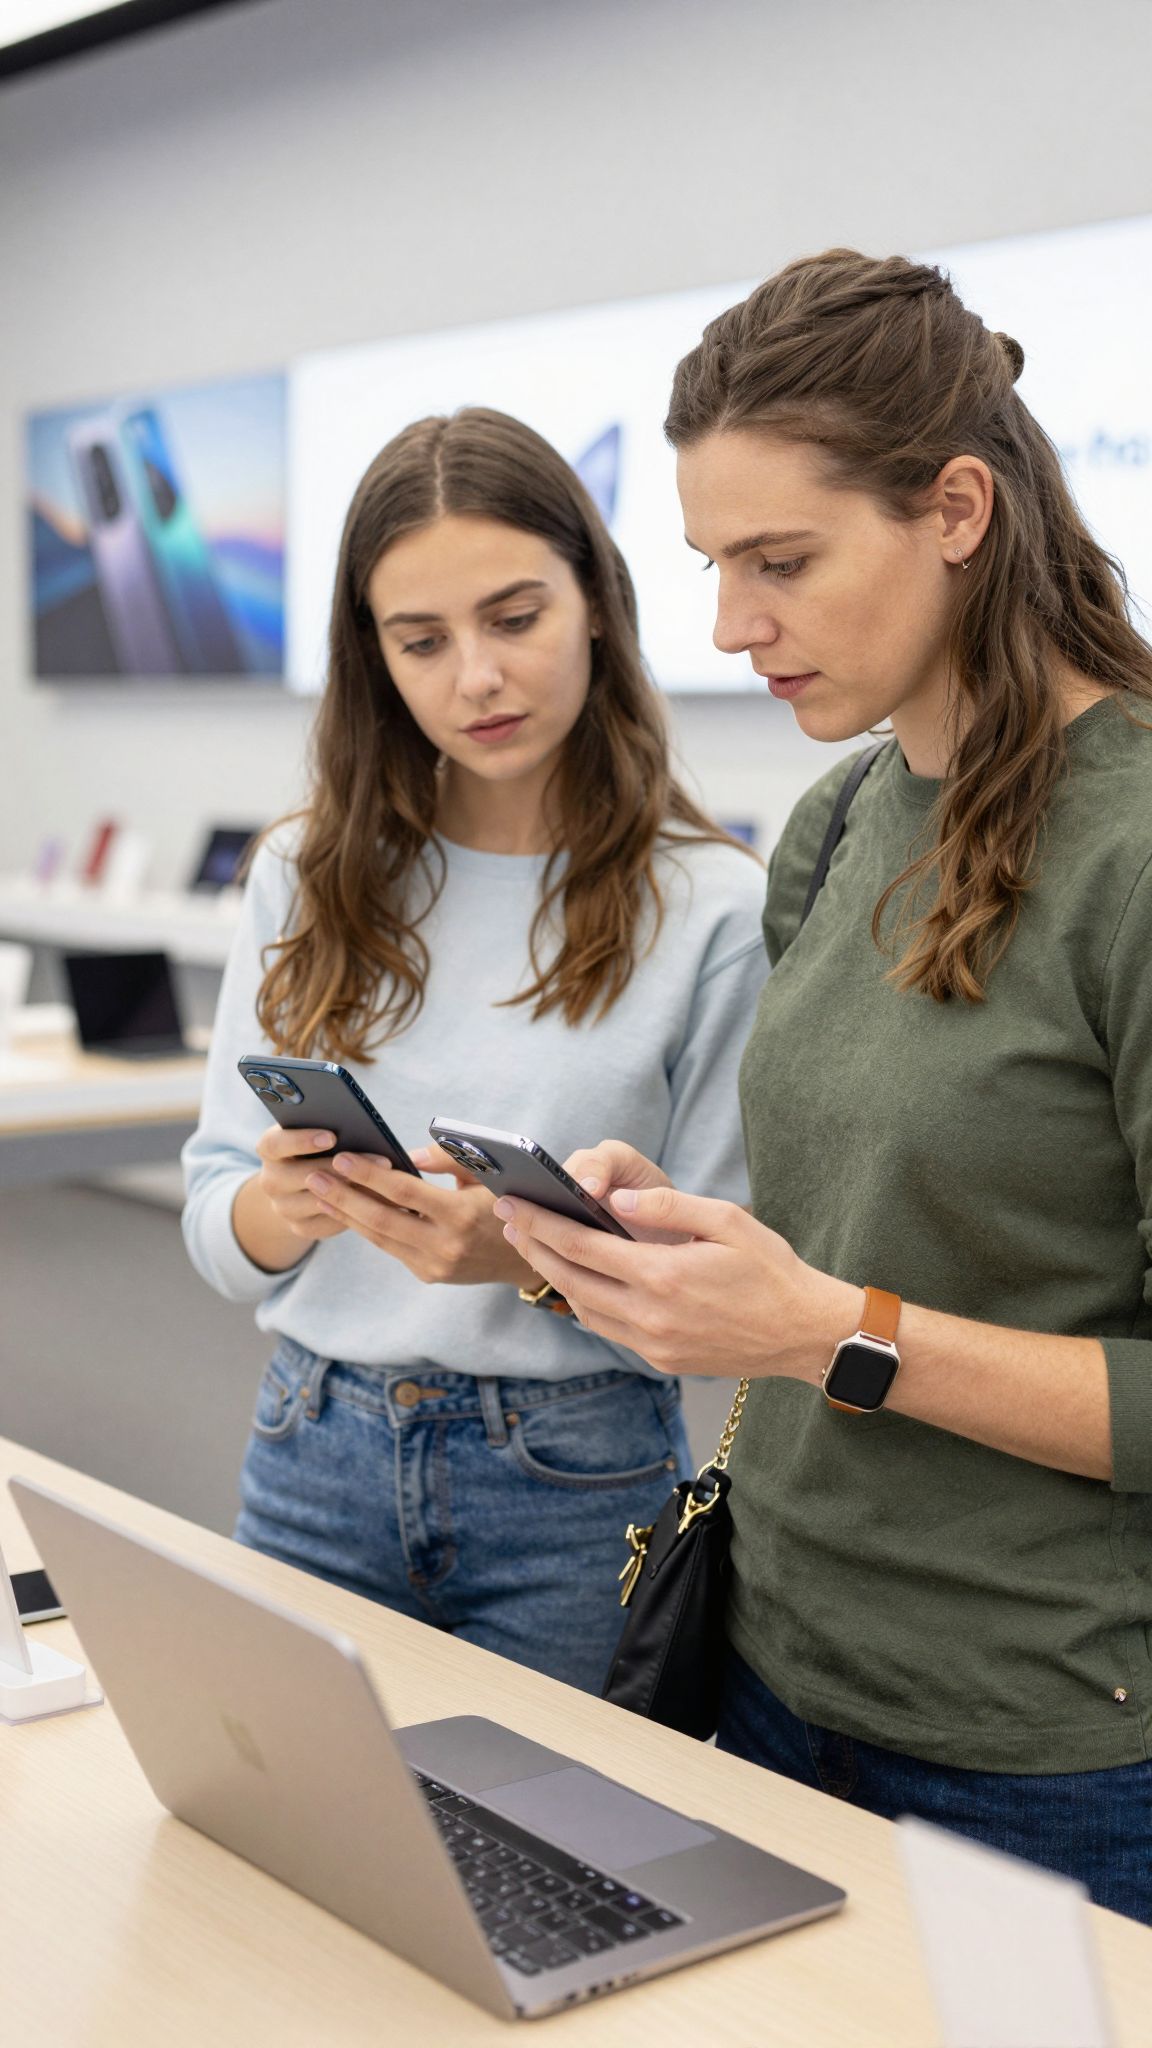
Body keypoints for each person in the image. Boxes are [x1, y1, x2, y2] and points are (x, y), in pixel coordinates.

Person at [495, 253, 1152, 1919]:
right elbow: (866, 1223)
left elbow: (851, 1312)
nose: (729, 624)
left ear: (954, 507)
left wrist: (816, 1328)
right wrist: (684, 1246)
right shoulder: (840, 822)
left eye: (780, 561)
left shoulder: (1133, 851)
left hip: (1041, 1749)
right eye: (715, 563)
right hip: (771, 1665)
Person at [182, 406, 766, 1693]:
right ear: (374, 656)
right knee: (285, 1850)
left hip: (575, 1480)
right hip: (310, 1442)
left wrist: (527, 1255)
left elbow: (723, 1307)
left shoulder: (714, 904)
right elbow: (215, 1223)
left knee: (566, 1873)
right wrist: (285, 1207)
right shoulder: (305, 872)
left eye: (515, 618)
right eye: (422, 640)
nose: (477, 680)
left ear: (596, 603)